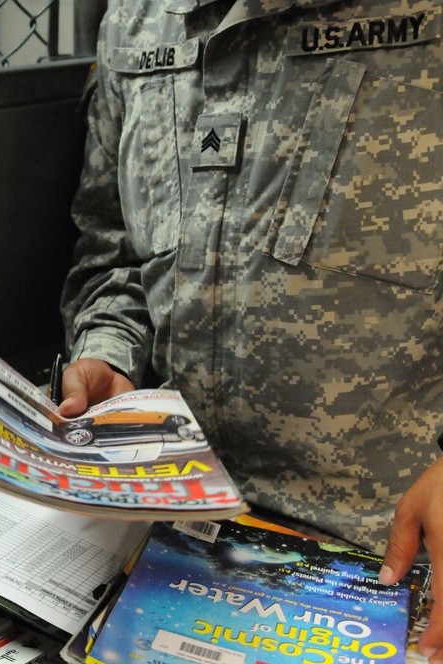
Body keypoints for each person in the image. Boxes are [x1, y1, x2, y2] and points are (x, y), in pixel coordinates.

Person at [57, 0, 441, 658]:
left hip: (388, 558)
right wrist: (109, 350)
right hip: (169, 534)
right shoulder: (137, 16)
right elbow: (114, 249)